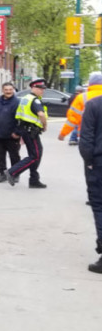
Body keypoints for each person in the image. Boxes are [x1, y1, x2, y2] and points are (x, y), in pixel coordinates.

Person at [6, 78, 48, 188]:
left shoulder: (25, 98)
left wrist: (19, 132)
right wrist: (45, 126)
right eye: (40, 88)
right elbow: (41, 114)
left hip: (26, 130)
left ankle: (34, 180)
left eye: (43, 89)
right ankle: (12, 172)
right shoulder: (35, 100)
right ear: (33, 88)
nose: (42, 91)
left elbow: (20, 116)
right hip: (31, 131)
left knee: (34, 155)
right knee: (35, 155)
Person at [79, 94, 102, 273]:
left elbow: (86, 137)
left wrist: (88, 160)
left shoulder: (94, 105)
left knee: (100, 206)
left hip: (98, 163)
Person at [59, 72, 102, 147]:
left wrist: (63, 134)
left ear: (90, 83)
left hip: (87, 135)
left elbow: (72, 119)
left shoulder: (82, 97)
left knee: (91, 157)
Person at [0, 82, 20, 183]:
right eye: (6, 90)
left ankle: (15, 174)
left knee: (14, 156)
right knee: (0, 156)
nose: (8, 91)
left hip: (12, 135)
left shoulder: (17, 102)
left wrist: (17, 132)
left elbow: (20, 119)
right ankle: (2, 174)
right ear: (2, 90)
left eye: (10, 89)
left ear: (13, 90)